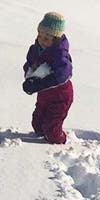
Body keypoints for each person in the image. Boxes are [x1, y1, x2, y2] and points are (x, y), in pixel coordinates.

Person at [21, 11, 74, 144]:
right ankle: (43, 135)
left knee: (51, 129)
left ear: (55, 39)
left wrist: (40, 84)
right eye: (40, 35)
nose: (41, 40)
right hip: (44, 96)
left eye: (46, 38)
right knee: (37, 124)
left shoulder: (60, 54)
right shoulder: (35, 49)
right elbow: (29, 65)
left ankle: (61, 142)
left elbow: (62, 75)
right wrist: (29, 78)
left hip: (60, 97)